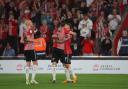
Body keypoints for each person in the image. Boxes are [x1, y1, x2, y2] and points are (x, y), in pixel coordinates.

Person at [20, 17, 38, 85]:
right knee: (35, 64)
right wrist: (35, 40)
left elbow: (21, 41)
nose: (32, 24)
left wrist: (26, 41)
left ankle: (27, 80)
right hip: (31, 49)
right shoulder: (30, 29)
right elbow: (28, 39)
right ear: (29, 23)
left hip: (26, 49)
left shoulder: (24, 31)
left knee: (28, 65)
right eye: (31, 23)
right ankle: (32, 79)